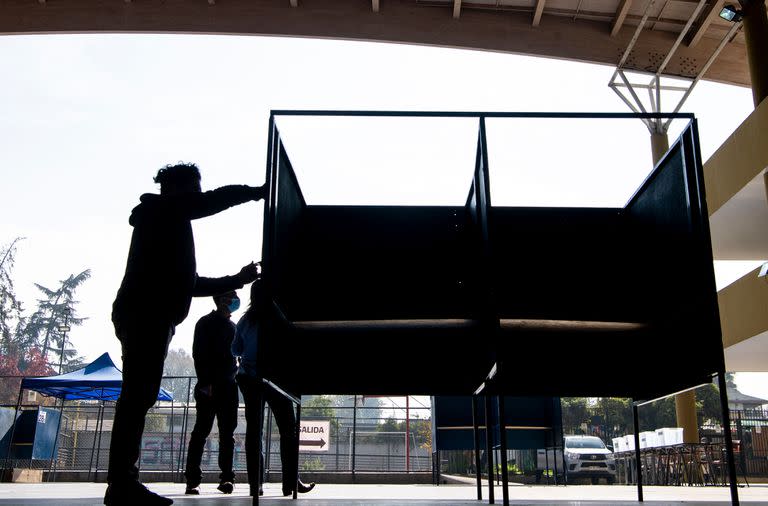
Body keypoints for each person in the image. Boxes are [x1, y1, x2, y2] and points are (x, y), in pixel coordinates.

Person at [105, 162, 265, 506]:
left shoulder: (167, 221)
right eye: (194, 188)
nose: (198, 195)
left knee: (139, 396)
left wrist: (237, 279)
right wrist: (255, 193)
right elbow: (213, 201)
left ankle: (122, 482)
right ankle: (122, 484)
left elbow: (190, 284)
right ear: (178, 189)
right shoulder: (164, 211)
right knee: (136, 398)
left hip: (148, 317)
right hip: (145, 316)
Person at [232, 276, 316, 498]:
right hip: (277, 380)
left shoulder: (245, 321)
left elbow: (235, 349)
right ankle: (290, 481)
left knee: (254, 431)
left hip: (250, 379)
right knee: (288, 429)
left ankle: (255, 484)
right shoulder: (279, 318)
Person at [183, 290, 241, 495]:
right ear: (221, 300)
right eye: (231, 297)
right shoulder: (206, 323)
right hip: (210, 386)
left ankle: (226, 478)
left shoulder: (234, 327)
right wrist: (205, 382)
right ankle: (193, 480)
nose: (235, 300)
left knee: (226, 435)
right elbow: (199, 353)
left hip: (228, 386)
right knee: (202, 432)